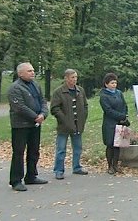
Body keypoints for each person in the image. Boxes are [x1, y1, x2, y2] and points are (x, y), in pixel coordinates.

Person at [8, 62, 49, 191]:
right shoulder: (15, 88)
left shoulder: (35, 85)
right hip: (21, 125)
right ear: (20, 73)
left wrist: (43, 114)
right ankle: (16, 180)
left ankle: (31, 175)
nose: (33, 73)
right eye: (29, 71)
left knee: (34, 150)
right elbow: (19, 107)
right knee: (19, 152)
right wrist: (35, 116)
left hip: (35, 124)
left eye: (33, 70)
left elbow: (43, 100)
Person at [50, 69, 89, 180]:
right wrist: (64, 119)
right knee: (61, 148)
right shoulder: (59, 92)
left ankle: (77, 167)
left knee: (78, 147)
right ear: (66, 78)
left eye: (76, 77)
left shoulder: (80, 90)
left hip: (78, 123)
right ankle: (59, 170)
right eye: (72, 77)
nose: (75, 79)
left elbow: (85, 105)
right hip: (64, 126)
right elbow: (54, 108)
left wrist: (83, 117)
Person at [100, 73, 129, 175]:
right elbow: (108, 110)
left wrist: (125, 115)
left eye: (115, 83)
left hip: (120, 122)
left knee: (118, 145)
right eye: (112, 83)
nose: (114, 85)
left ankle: (116, 165)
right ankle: (110, 166)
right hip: (110, 123)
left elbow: (124, 105)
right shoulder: (103, 96)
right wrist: (120, 116)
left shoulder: (119, 93)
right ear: (106, 84)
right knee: (110, 145)